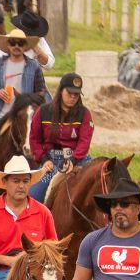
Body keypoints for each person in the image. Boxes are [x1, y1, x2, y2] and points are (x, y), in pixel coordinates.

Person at [0, 22, 53, 182]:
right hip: (2, 111)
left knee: (49, 139)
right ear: (8, 45)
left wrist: (27, 100)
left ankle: (47, 175)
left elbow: (41, 91)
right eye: (13, 43)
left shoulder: (33, 66)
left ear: (25, 46)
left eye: (20, 43)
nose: (16, 46)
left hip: (26, 112)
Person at [27, 75, 93, 203]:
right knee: (33, 196)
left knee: (100, 188)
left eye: (77, 94)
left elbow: (85, 141)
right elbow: (34, 138)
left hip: (79, 160)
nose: (73, 97)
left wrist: (73, 160)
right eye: (70, 93)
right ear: (61, 90)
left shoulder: (84, 113)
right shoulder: (43, 111)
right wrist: (44, 159)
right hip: (52, 162)